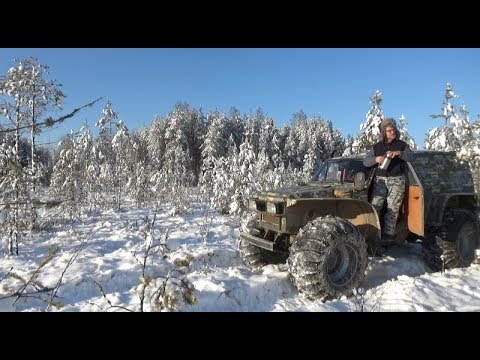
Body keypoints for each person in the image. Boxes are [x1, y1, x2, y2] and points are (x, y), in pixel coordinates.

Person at [363, 118, 414, 244]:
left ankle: (388, 236)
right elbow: (365, 162)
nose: (392, 132)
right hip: (380, 180)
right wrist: (376, 159)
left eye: (393, 129)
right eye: (389, 130)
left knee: (393, 208)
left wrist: (399, 153)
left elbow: (412, 157)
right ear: (383, 132)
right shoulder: (377, 147)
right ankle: (372, 233)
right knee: (375, 206)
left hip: (397, 180)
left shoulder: (402, 145)